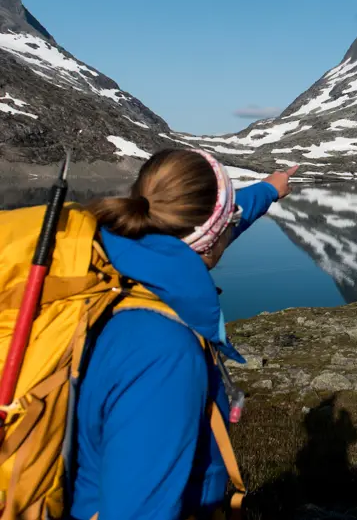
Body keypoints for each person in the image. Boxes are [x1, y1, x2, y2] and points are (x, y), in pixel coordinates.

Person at [69, 148, 297, 520]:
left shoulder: (119, 254)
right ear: (211, 236)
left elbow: (211, 227)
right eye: (230, 216)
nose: (233, 223)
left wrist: (269, 190)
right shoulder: (164, 354)